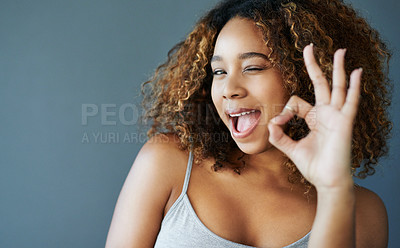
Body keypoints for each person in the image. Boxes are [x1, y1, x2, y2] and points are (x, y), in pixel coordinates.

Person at [106, 0, 392, 247]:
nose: (229, 88)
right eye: (219, 71)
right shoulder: (168, 162)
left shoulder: (364, 212)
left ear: (301, 76)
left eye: (252, 67)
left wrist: (333, 191)